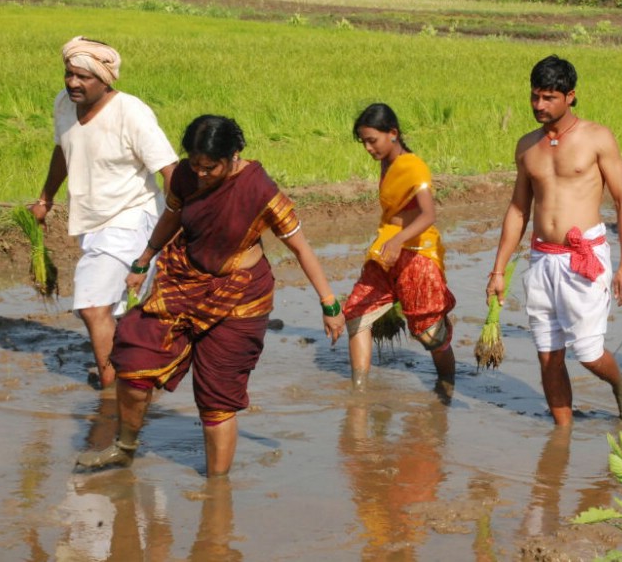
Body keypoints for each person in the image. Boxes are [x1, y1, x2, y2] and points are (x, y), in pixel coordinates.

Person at [75, 115, 345, 476]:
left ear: (234, 156)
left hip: (239, 298)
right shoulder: (187, 176)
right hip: (183, 280)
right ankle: (124, 448)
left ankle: (216, 493)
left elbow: (301, 248)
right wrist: (143, 261)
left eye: (210, 167)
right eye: (195, 164)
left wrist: (329, 303)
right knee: (135, 359)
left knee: (216, 398)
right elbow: (171, 215)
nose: (201, 173)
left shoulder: (258, 189)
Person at [487, 55, 622, 426]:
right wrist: (498, 270)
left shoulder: (597, 137)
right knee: (548, 354)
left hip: (582, 256)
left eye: (549, 97)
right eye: (535, 96)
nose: (539, 105)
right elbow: (519, 210)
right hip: (542, 259)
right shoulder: (527, 147)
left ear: (570, 96)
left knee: (587, 352)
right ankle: (563, 434)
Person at [30, 36, 178, 389]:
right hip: (92, 219)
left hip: (132, 218)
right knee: (115, 310)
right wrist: (46, 197)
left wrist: (177, 227)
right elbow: (63, 150)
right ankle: (134, 376)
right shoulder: (64, 105)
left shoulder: (131, 113)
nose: (73, 83)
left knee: (92, 304)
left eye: (83, 77)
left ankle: (112, 389)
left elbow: (170, 171)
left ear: (106, 79)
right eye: (69, 74)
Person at [340, 103, 456, 395]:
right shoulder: (387, 163)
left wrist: (397, 240)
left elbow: (428, 215)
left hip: (416, 252)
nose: (368, 148)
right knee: (356, 313)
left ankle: (447, 388)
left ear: (392, 133)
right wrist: (391, 242)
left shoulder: (413, 167)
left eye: (372, 140)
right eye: (363, 142)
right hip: (387, 250)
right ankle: (359, 390)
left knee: (429, 334)